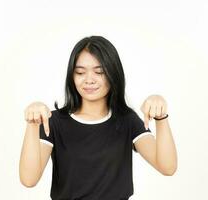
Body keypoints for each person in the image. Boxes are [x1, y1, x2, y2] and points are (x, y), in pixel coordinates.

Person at [19, 36, 177, 200]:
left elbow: (167, 167)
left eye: (99, 72)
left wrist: (161, 118)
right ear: (72, 77)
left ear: (113, 74)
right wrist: (32, 124)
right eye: (80, 72)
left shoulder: (127, 121)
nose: (89, 80)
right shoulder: (54, 122)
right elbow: (29, 179)